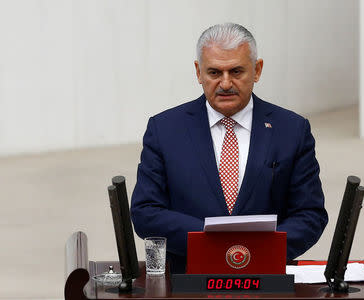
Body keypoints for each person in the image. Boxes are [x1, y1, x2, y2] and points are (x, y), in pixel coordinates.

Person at [131, 23, 328, 273]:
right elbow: (145, 212)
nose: (225, 83)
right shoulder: (164, 130)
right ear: (198, 72)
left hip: (267, 279)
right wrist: (212, 241)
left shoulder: (292, 130)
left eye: (236, 71)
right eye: (214, 72)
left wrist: (255, 249)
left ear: (257, 70)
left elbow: (310, 214)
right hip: (186, 281)